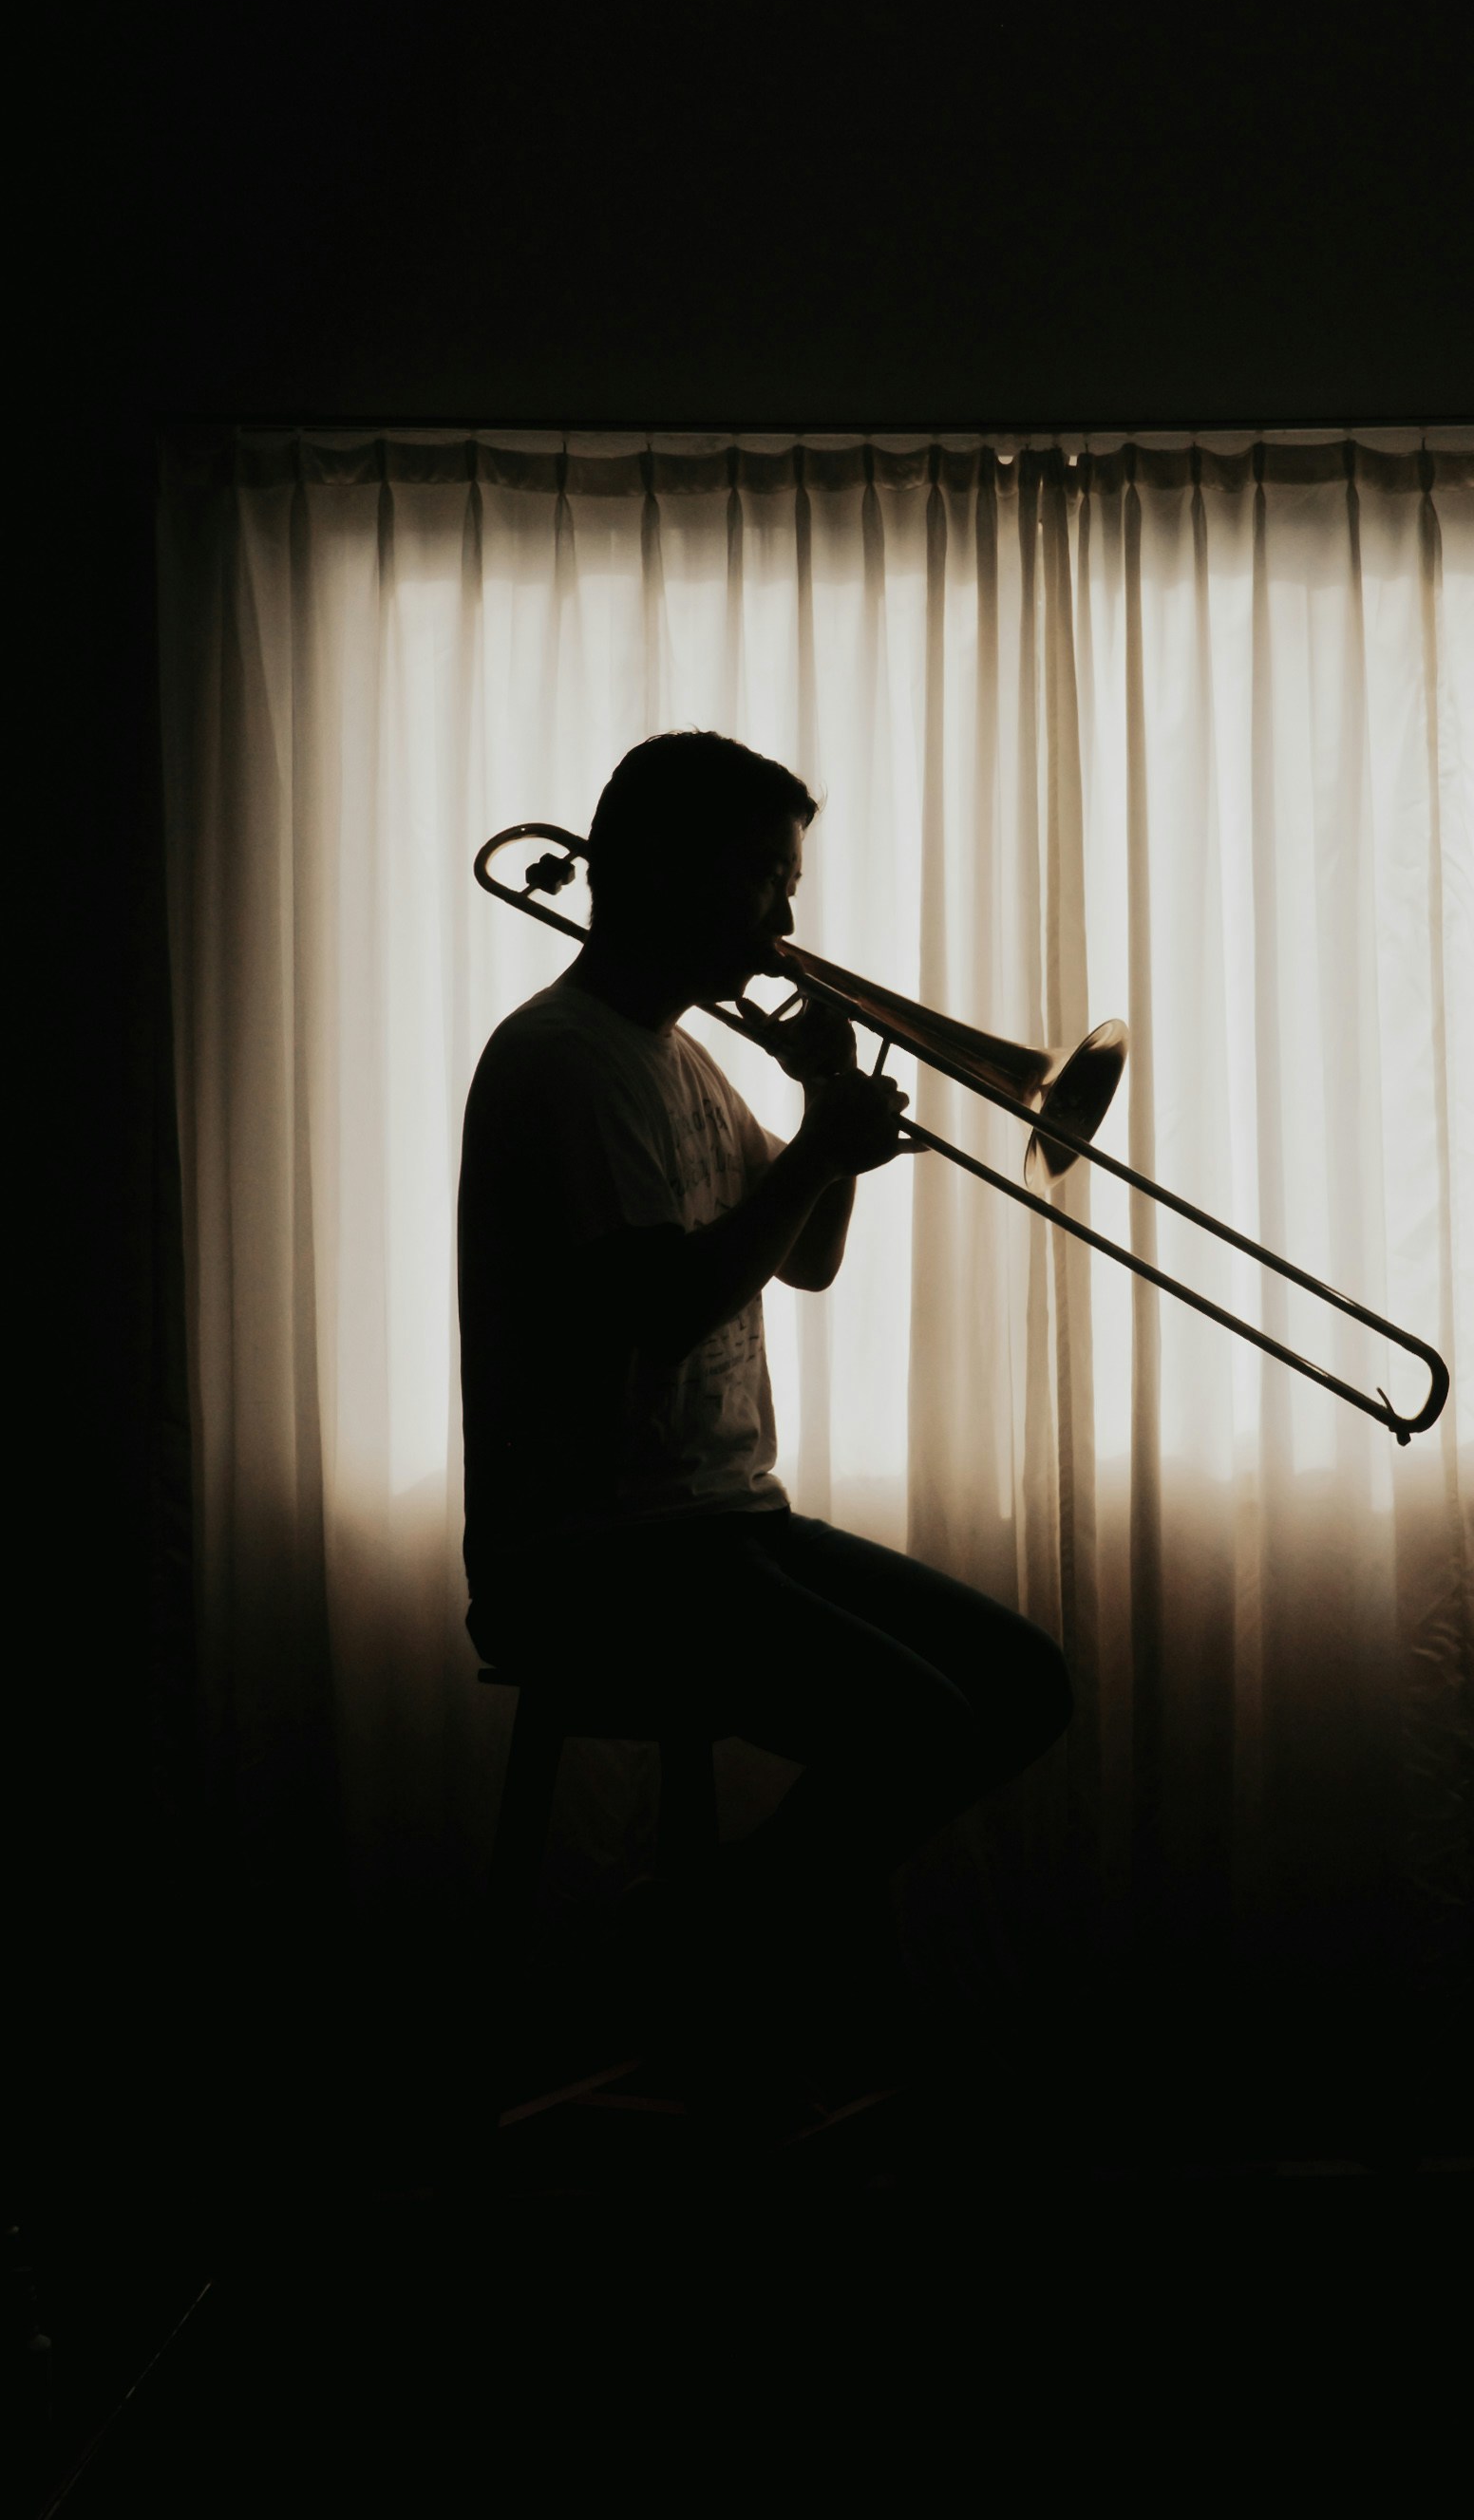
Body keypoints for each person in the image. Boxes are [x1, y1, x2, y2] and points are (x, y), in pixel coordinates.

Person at [456, 731, 1072, 2038]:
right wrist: (814, 1150)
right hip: (593, 1555)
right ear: (665, 870)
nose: (788, 918)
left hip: (723, 1524)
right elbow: (669, 1309)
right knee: (918, 1722)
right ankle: (700, 1953)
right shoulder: (565, 1055)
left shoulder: (679, 1057)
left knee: (1025, 1685)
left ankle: (703, 1935)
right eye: (761, 880)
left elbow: (808, 1266)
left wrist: (827, 1128)